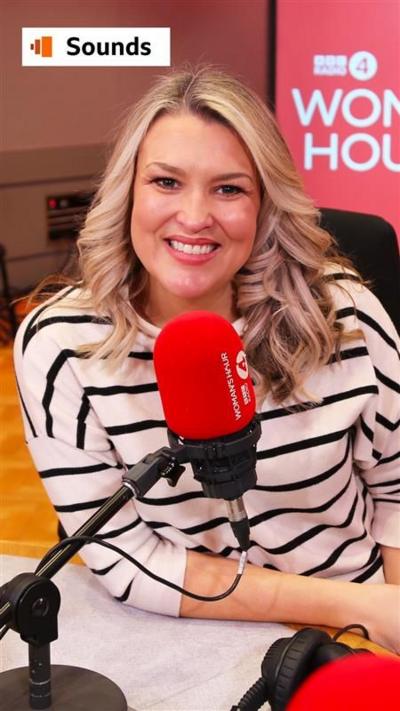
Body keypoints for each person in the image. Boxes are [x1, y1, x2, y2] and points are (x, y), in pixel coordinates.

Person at [14, 67, 400, 653]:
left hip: (360, 633)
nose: (195, 217)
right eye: (166, 182)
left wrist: (383, 630)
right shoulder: (60, 345)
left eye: (229, 189)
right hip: (189, 634)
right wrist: (348, 605)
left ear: (265, 205)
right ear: (128, 192)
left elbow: (398, 494)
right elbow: (126, 558)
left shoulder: (346, 317)